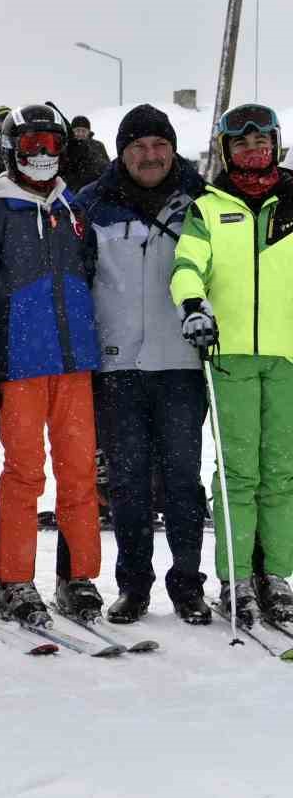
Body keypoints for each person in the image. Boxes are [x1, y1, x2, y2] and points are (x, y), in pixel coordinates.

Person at [0, 104, 103, 627]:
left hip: (73, 363)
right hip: (20, 364)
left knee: (79, 473)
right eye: (29, 144)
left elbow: (88, 273)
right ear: (11, 149)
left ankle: (77, 576)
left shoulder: (72, 207)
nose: (40, 153)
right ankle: (13, 581)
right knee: (24, 475)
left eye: (48, 143)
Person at [77, 104, 209, 624]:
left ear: (172, 149)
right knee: (127, 483)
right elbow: (77, 280)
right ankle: (133, 586)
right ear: (122, 153)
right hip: (117, 365)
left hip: (180, 363)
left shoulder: (199, 203)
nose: (150, 155)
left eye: (159, 145)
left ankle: (188, 584)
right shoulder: (93, 205)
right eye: (138, 146)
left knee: (181, 479)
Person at [170, 103, 293, 628]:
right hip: (232, 355)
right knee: (238, 475)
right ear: (225, 150)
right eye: (240, 143)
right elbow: (186, 266)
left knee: (282, 472)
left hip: (288, 356)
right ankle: (237, 577)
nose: (251, 149)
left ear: (277, 144)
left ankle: (279, 576)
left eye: (260, 140)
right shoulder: (209, 207)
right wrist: (194, 306)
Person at [61, 115, 113, 194]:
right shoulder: (67, 146)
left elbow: (107, 165)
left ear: (89, 132)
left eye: (84, 131)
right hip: (73, 190)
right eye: (77, 130)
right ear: (72, 131)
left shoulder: (98, 145)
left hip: (95, 189)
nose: (80, 134)